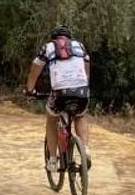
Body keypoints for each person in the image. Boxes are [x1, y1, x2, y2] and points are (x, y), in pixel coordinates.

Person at [26, 25, 90, 174]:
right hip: (81, 90)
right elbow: (87, 66)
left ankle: (53, 160)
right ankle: (85, 149)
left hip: (60, 92)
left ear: (54, 38)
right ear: (69, 37)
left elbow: (35, 70)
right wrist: (84, 84)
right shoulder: (79, 46)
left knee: (52, 119)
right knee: (80, 116)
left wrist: (30, 90)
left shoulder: (48, 48)